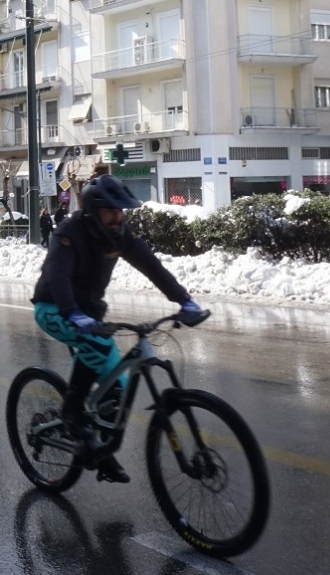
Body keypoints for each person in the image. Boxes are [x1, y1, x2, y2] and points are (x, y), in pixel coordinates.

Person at [30, 174, 205, 485]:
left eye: (120, 211)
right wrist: (73, 314)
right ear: (94, 211)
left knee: (117, 387)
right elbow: (57, 276)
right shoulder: (69, 232)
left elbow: (152, 266)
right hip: (55, 308)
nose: (117, 217)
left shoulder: (119, 234)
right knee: (94, 349)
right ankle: (72, 414)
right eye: (111, 211)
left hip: (91, 316)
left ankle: (97, 449)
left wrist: (184, 301)